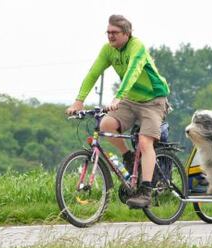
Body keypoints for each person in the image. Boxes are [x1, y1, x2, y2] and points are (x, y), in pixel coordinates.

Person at [66, 14, 170, 209]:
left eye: (114, 33)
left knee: (145, 141)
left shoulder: (136, 46)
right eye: (108, 32)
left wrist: (119, 97)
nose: (110, 36)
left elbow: (133, 71)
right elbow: (93, 73)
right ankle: (128, 157)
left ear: (127, 33)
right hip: (131, 100)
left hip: (153, 100)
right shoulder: (108, 50)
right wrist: (78, 101)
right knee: (105, 125)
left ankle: (146, 191)